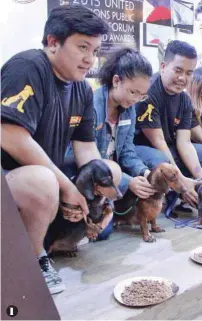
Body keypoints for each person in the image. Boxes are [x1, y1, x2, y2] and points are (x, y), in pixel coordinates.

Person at [0, 6, 120, 294]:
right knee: (43, 181)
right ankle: (31, 261)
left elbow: (87, 151)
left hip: (41, 177)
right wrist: (66, 186)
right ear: (53, 43)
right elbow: (9, 134)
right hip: (13, 176)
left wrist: (99, 201)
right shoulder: (27, 66)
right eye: (82, 47)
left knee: (110, 170)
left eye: (94, 50)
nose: (90, 58)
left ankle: (53, 240)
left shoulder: (82, 90)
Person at [64, 48, 158, 240]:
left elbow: (127, 151)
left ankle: (111, 210)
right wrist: (128, 181)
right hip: (87, 173)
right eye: (132, 92)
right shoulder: (92, 104)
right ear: (116, 80)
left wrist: (144, 173)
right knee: (102, 233)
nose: (135, 99)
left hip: (111, 175)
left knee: (151, 170)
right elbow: (84, 158)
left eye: (141, 95)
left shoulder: (129, 109)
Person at [134, 40, 202, 208]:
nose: (182, 78)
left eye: (189, 73)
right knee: (162, 159)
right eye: (178, 70)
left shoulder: (184, 99)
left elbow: (184, 142)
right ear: (163, 66)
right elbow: (158, 142)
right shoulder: (149, 92)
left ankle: (184, 189)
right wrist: (182, 183)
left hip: (169, 150)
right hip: (143, 152)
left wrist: (201, 180)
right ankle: (172, 191)